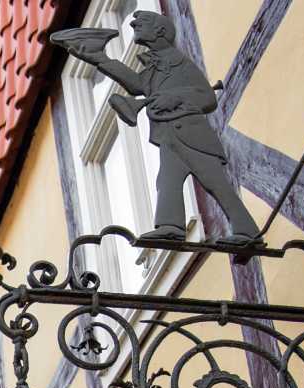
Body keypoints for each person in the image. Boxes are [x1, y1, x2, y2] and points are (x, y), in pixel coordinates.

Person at [53, 13, 259, 246]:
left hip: (191, 135)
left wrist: (174, 98)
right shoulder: (154, 65)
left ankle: (248, 232)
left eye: (140, 25)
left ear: (159, 31)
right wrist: (100, 59)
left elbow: (207, 97)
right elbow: (136, 84)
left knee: (215, 183)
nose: (133, 26)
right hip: (170, 135)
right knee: (167, 180)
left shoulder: (178, 62)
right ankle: (171, 227)